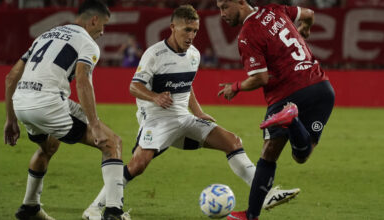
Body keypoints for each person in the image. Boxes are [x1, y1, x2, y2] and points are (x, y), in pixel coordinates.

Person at [82, 4, 300, 219]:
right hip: (158, 120)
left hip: (185, 119)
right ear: (173, 28)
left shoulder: (193, 54)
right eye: (187, 30)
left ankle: (267, 193)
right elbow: (134, 86)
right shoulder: (154, 54)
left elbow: (188, 86)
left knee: (233, 142)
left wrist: (199, 112)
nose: (191, 35)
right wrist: (155, 97)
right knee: (138, 165)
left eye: (195, 30)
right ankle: (95, 207)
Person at [3, 1, 130, 219]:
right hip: (48, 103)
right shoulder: (87, 43)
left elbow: (11, 77)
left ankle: (29, 207)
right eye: (104, 25)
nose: (103, 32)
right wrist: (95, 125)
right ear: (94, 20)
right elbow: (82, 82)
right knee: (112, 143)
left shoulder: (45, 36)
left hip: (22, 102)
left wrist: (11, 119)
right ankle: (113, 212)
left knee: (48, 146)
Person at [216, 0, 335, 219]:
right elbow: (308, 13)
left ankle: (251, 215)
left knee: (268, 153)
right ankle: (293, 122)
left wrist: (235, 87)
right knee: (302, 153)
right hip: (321, 89)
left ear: (241, 2)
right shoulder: (275, 9)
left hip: (287, 93)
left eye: (225, 6)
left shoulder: (247, 35)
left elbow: (260, 78)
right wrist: (305, 29)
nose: (221, 13)